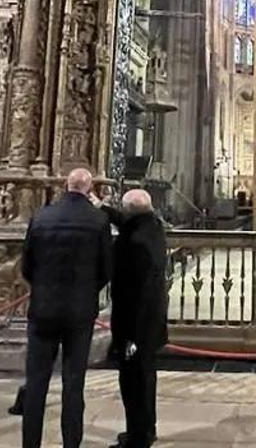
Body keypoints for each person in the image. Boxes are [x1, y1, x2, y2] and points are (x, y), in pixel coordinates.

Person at [20, 168, 112, 448]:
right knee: (74, 384)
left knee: (36, 382)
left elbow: (26, 265)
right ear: (90, 188)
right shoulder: (98, 220)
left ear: (65, 185)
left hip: (43, 311)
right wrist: (86, 292)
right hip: (79, 313)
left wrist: (43, 289)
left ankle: (30, 444)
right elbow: (106, 269)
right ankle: (71, 444)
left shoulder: (41, 216)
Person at [107, 189, 168, 448]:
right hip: (152, 323)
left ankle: (137, 437)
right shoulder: (154, 229)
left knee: (132, 380)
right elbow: (131, 220)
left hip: (133, 327)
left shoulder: (131, 244)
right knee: (146, 376)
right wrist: (105, 209)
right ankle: (147, 428)